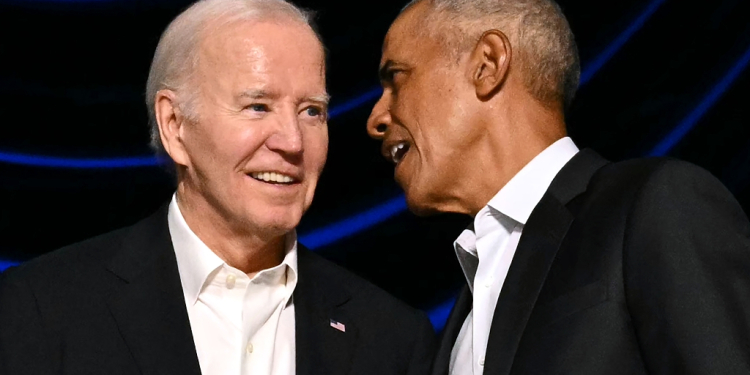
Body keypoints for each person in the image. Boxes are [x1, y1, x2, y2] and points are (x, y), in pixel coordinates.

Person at [0, 0, 436, 374]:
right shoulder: (40, 311)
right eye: (257, 106)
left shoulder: (394, 341)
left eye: (311, 112)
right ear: (174, 125)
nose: (291, 142)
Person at [366, 0, 750, 374]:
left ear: (488, 64)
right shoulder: (459, 320)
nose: (376, 118)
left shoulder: (656, 204)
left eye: (396, 79)